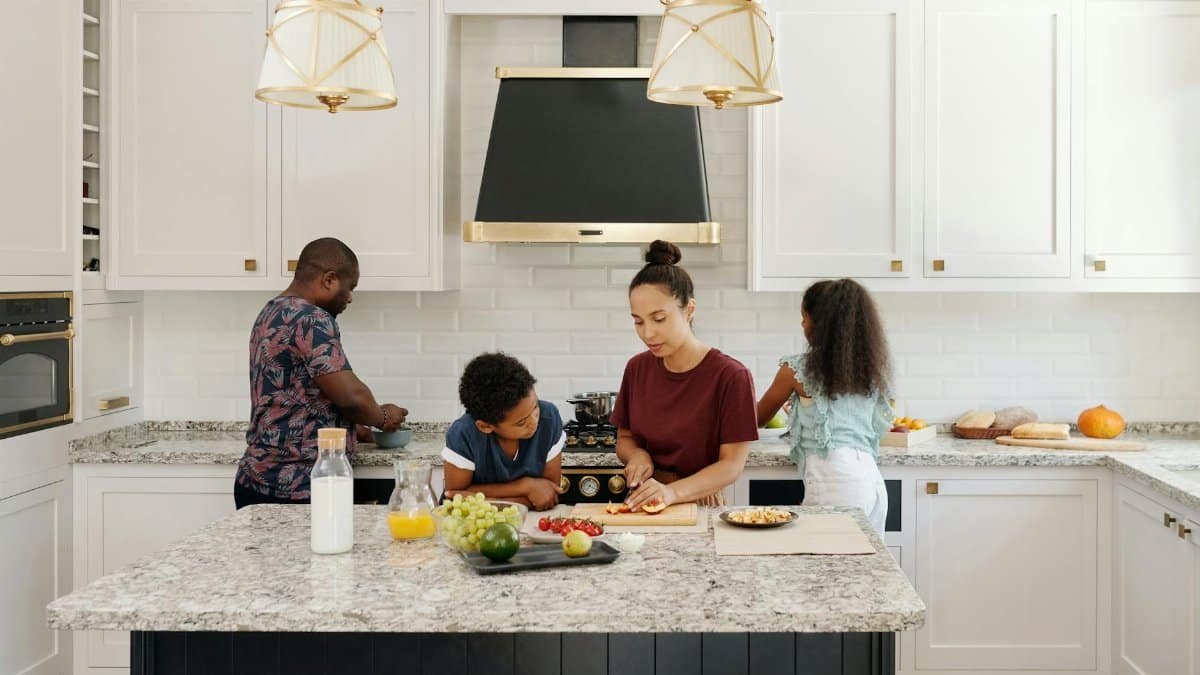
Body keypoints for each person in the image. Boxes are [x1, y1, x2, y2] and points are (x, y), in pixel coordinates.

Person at [234, 237, 407, 509]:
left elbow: (295, 392)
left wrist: (350, 427)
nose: (350, 297)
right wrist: (383, 416)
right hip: (299, 486)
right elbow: (352, 397)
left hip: (257, 480)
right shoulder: (311, 318)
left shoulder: (270, 311)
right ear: (329, 279)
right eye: (350, 287)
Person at [611, 240, 759, 510]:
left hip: (700, 504)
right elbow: (625, 438)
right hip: (643, 502)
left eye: (658, 319)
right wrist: (637, 455)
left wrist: (671, 493)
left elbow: (731, 465)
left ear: (689, 309)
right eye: (638, 321)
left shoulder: (731, 376)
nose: (647, 333)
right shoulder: (637, 368)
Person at [755, 278, 893, 533]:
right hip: (871, 482)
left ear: (821, 324)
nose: (802, 324)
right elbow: (842, 417)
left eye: (804, 317)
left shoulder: (796, 369)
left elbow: (757, 419)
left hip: (836, 484)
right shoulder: (868, 371)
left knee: (824, 566)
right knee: (863, 568)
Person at [440, 352, 565, 511]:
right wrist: (525, 486)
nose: (534, 421)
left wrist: (482, 498)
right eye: (521, 422)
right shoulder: (464, 434)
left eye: (535, 408)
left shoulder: (548, 418)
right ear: (485, 426)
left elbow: (547, 495)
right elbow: (454, 498)